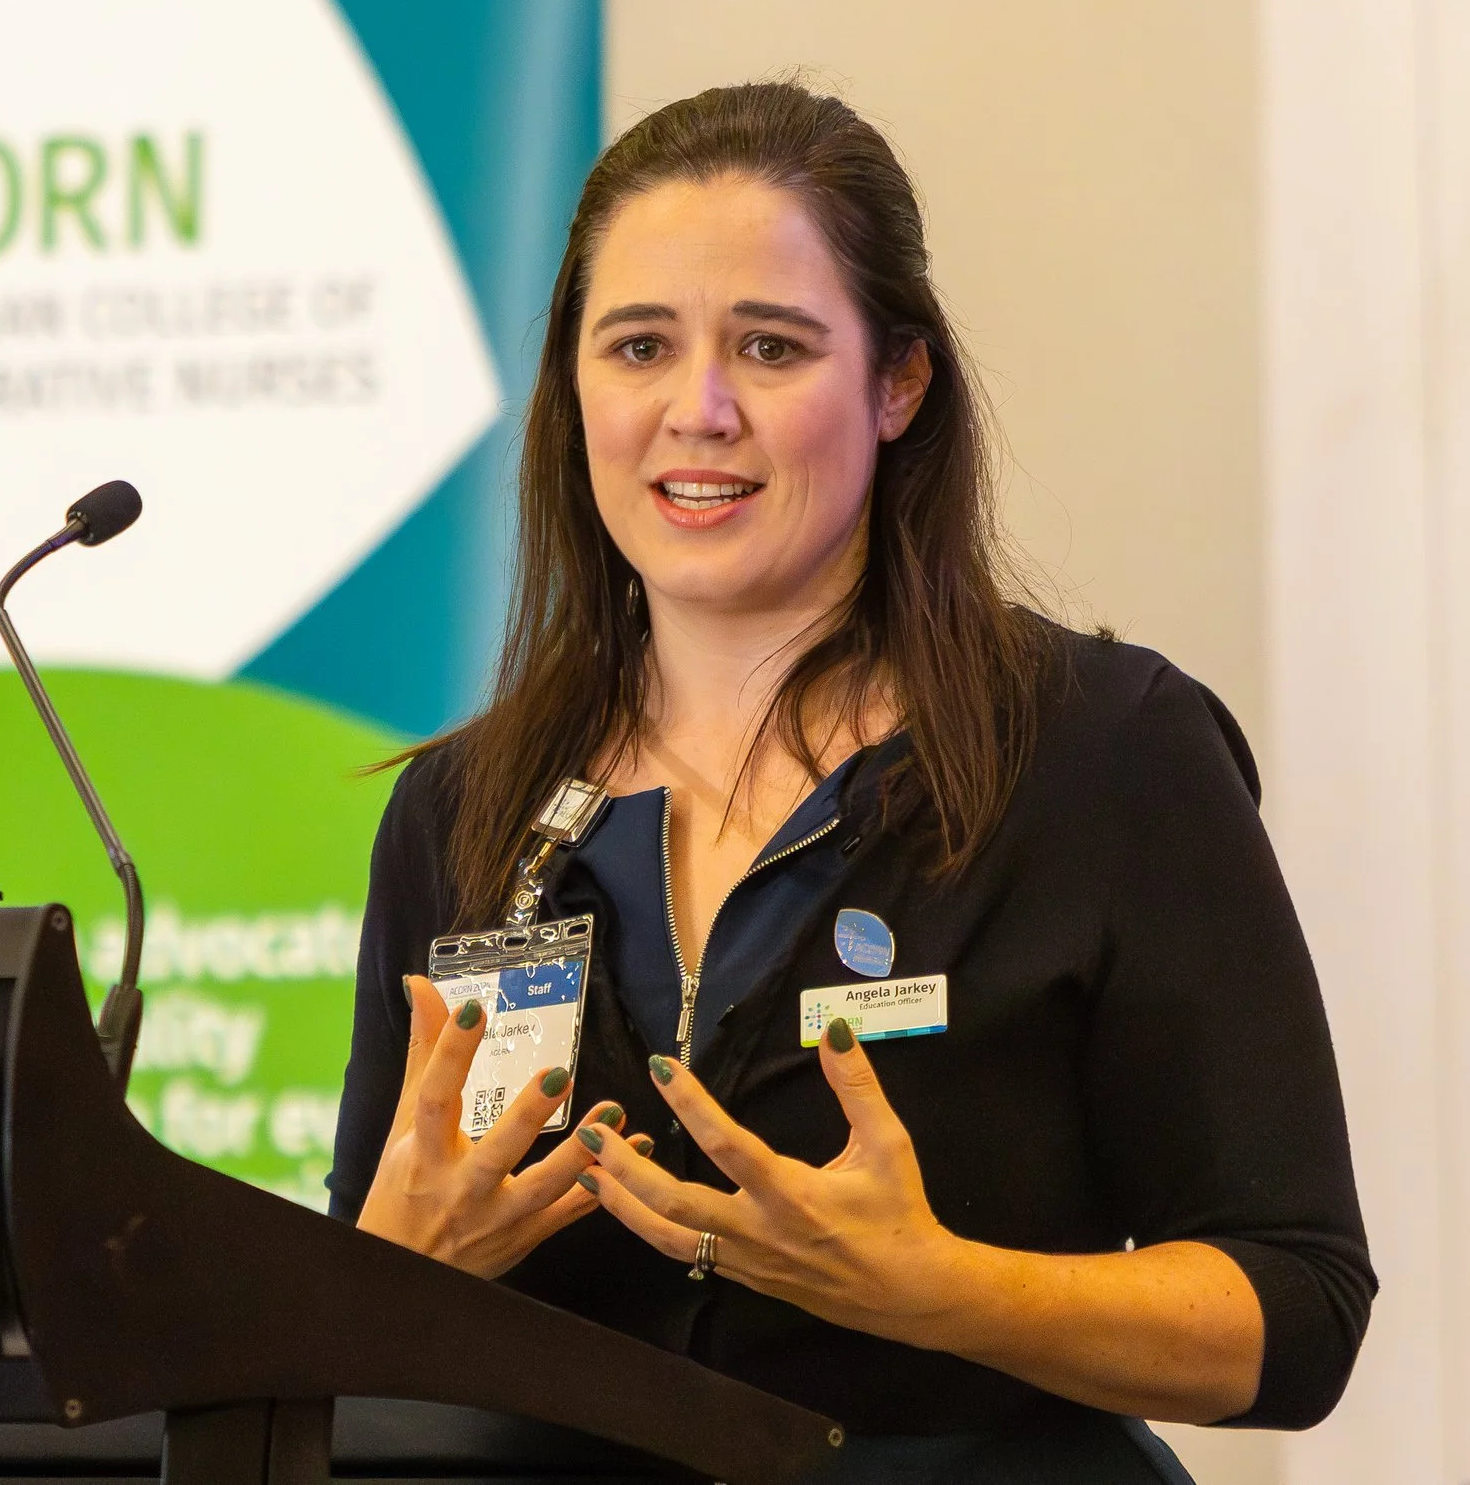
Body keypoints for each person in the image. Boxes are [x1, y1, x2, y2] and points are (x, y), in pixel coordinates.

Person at [326, 83, 1372, 1480]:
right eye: (639, 345)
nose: (698, 410)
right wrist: (390, 1273)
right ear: (574, 388)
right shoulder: (463, 808)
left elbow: (1297, 1311)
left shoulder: (1106, 753)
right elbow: (345, 1333)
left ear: (899, 382)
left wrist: (948, 1287)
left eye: (770, 346)